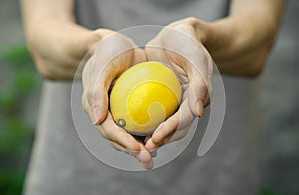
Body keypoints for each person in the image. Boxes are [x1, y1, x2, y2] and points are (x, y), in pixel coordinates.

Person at [21, 0, 286, 194]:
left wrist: (201, 37)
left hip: (216, 178)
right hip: (75, 178)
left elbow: (258, 44)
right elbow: (44, 40)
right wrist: (94, 47)